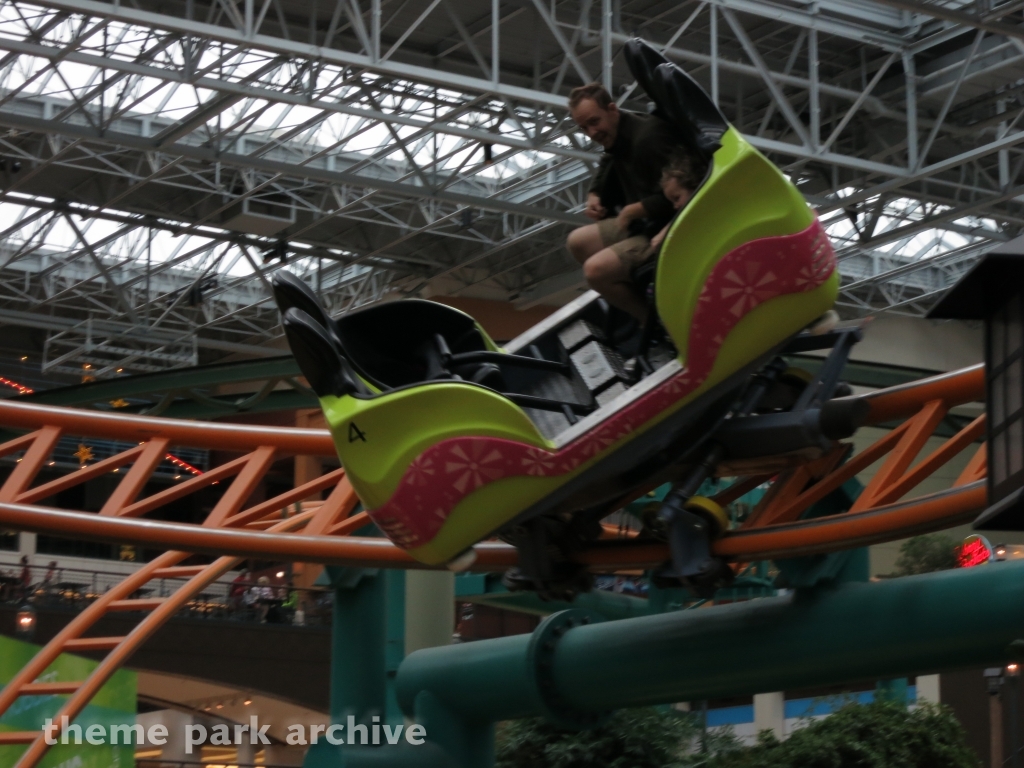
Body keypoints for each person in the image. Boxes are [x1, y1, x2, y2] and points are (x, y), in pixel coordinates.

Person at [566, 83, 695, 320]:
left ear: (613, 110)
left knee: (595, 271)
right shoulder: (620, 134)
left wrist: (634, 210)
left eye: (595, 122)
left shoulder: (649, 139)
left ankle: (655, 326)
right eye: (584, 128)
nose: (592, 133)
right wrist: (595, 193)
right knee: (578, 241)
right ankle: (632, 295)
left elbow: (685, 194)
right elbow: (609, 158)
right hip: (645, 223)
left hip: (668, 225)